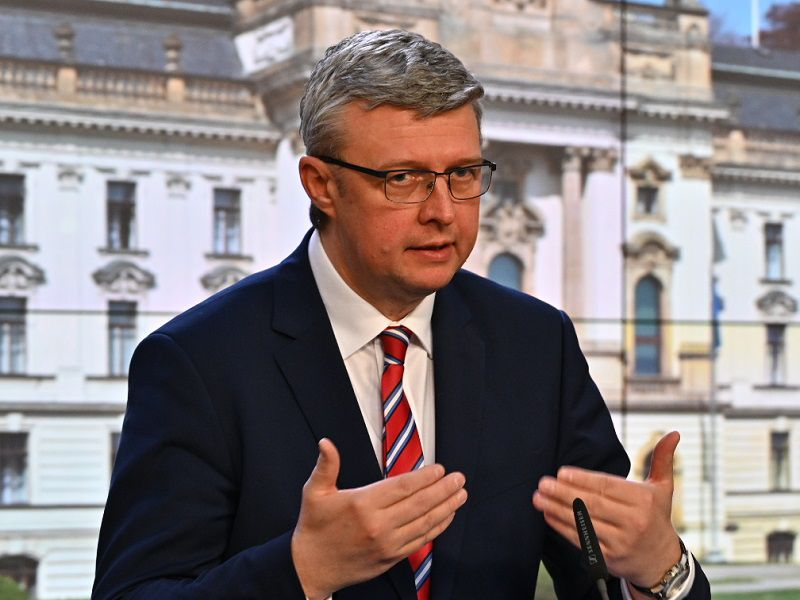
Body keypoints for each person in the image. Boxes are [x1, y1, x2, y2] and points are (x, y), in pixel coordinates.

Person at [93, 29, 711, 600]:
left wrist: (662, 571)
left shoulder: (535, 345)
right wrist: (302, 568)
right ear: (321, 184)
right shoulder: (196, 362)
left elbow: (602, 575)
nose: (443, 210)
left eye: (463, 174)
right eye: (404, 179)